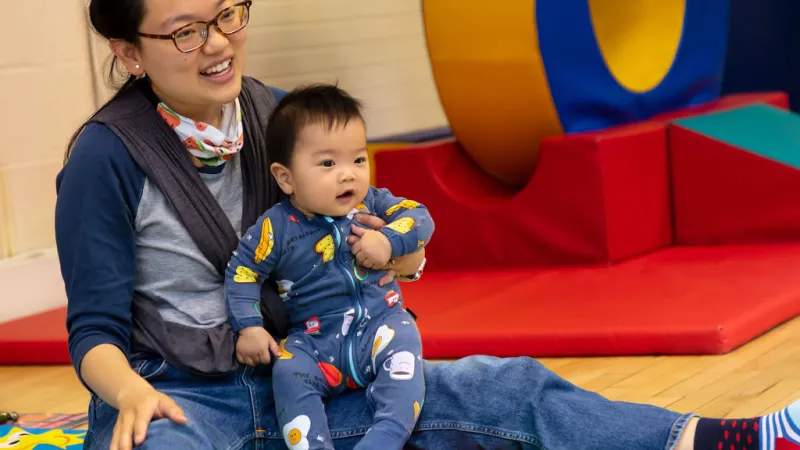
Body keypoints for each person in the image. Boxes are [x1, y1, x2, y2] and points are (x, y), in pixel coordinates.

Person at [54, 0, 800, 449]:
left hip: (316, 375)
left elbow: (377, 217)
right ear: (128, 53)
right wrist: (131, 397)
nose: (217, 44)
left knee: (505, 389)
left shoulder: (278, 114)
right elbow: (94, 333)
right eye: (185, 31)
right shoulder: (104, 158)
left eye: (226, 14)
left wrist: (396, 256)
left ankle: (718, 437)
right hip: (186, 400)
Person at [224, 84, 431, 449]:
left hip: (379, 325)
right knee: (287, 371)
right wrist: (249, 327)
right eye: (328, 164)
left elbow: (420, 217)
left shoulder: (373, 203)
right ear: (286, 177)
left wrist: (388, 243)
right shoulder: (275, 229)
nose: (348, 174)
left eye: (358, 159)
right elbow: (242, 273)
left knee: (405, 346)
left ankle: (384, 438)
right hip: (314, 342)